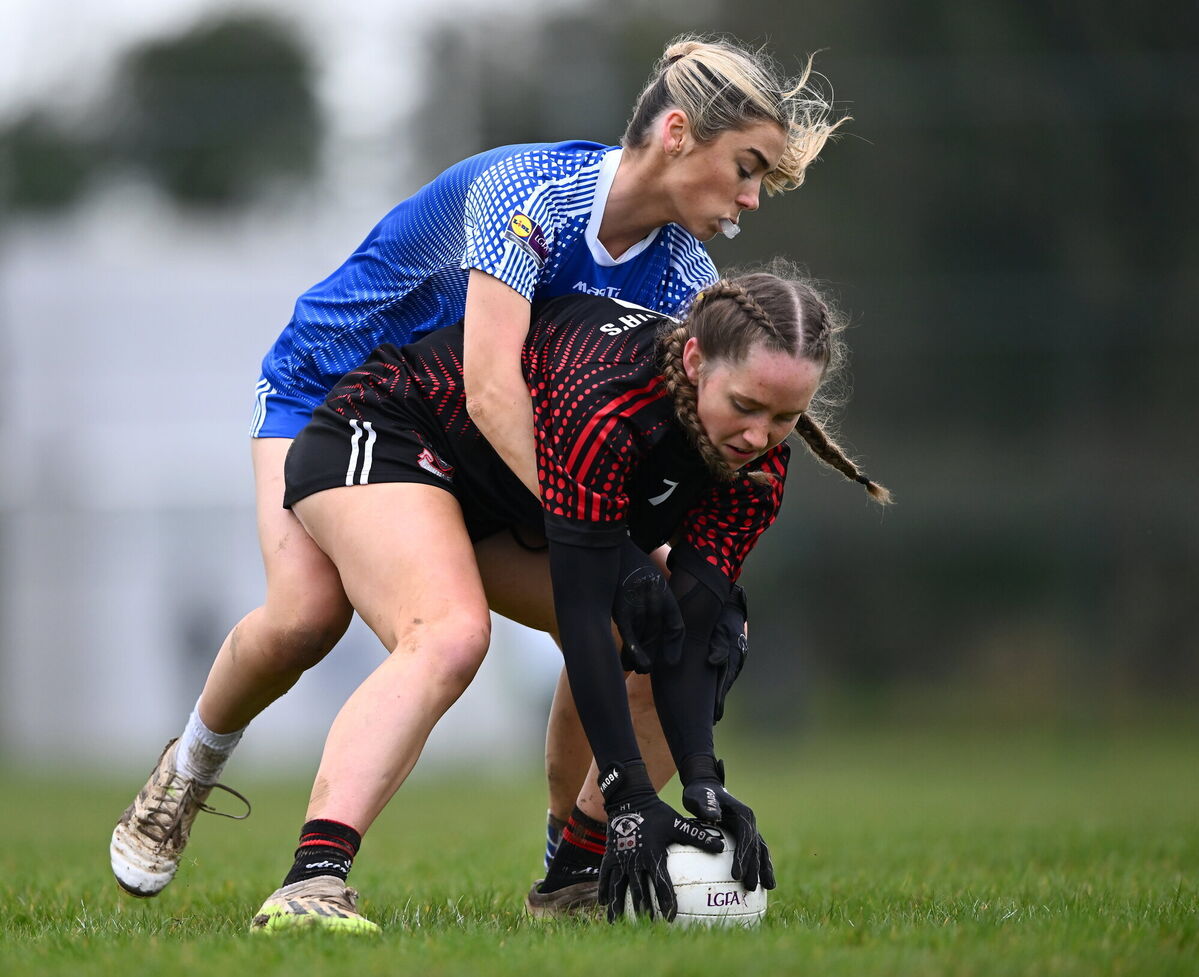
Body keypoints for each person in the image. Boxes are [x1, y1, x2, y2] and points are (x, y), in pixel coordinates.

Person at [109, 34, 846, 901]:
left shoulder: (686, 278)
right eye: (747, 167)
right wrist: (603, 545)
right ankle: (189, 775)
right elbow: (497, 393)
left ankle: (570, 866)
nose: (752, 198)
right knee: (311, 616)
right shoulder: (530, 193)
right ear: (678, 133)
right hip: (340, 397)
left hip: (477, 457)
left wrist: (667, 586)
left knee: (651, 626)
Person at [246, 266, 889, 932]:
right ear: (696, 361)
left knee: (702, 624)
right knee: (451, 633)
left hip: (505, 502)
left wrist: (702, 776)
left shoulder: (755, 467)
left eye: (785, 416)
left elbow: (691, 632)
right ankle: (310, 879)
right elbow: (581, 616)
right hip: (389, 435)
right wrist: (630, 789)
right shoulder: (609, 400)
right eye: (747, 405)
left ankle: (574, 873)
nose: (760, 435)